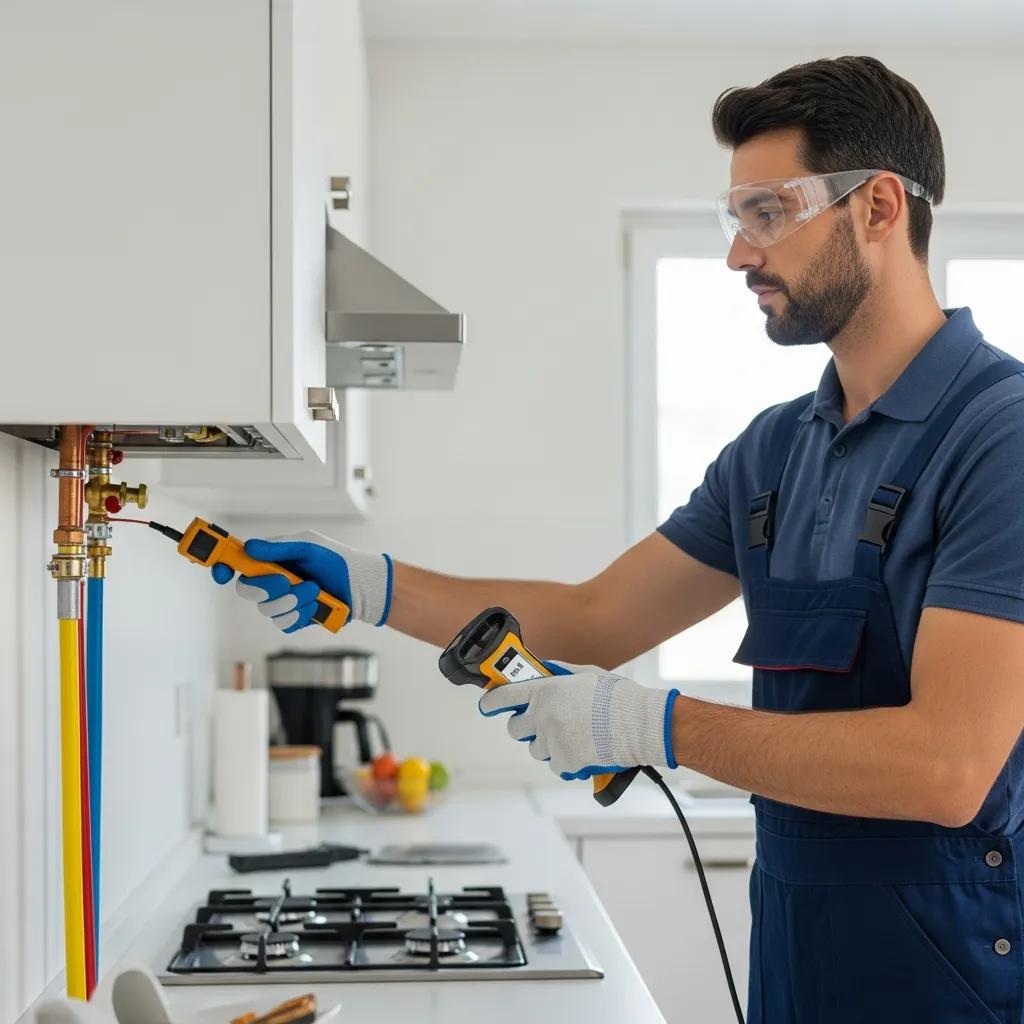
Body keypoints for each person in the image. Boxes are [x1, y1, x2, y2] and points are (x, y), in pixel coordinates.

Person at [214, 56, 1024, 1022]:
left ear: (881, 208)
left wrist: (651, 725)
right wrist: (373, 583)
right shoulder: (774, 450)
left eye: (769, 212)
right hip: (798, 960)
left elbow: (946, 769)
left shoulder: (999, 437)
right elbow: (598, 617)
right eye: (736, 219)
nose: (740, 253)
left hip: (952, 978)